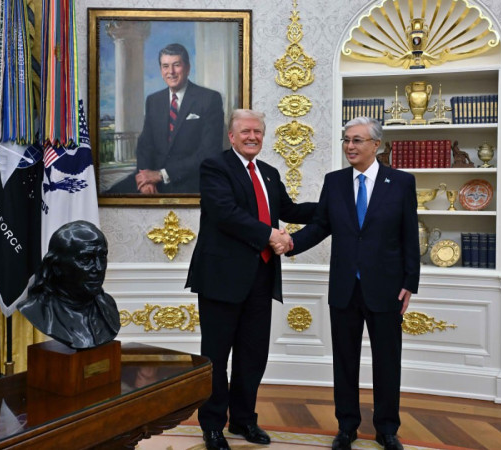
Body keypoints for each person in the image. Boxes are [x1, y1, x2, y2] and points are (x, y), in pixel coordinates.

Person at [185, 109, 317, 450]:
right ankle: (212, 426)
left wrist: (334, 205)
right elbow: (225, 214)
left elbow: (289, 209)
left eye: (257, 131)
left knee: (253, 355)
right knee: (216, 357)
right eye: (245, 131)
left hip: (261, 277)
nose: (252, 136)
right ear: (232, 136)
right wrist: (271, 235)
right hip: (221, 278)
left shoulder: (269, 173)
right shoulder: (215, 167)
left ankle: (244, 420)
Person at [288, 117, 420, 450]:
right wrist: (289, 243)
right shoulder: (334, 182)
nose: (350, 146)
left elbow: (409, 234)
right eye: (346, 140)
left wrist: (410, 282)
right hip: (344, 287)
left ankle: (387, 429)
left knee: (387, 362)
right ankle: (346, 427)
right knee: (344, 361)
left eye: (357, 140)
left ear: (376, 144)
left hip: (387, 288)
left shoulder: (401, 182)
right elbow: (321, 226)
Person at [106, 43, 224, 194]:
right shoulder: (154, 100)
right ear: (161, 70)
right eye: (165, 66)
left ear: (187, 68)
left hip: (188, 179)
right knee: (109, 196)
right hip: (152, 176)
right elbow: (145, 145)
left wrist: (161, 175)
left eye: (176, 65)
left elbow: (209, 152)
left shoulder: (209, 99)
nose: (171, 72)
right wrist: (145, 178)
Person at [18, 221, 120, 349]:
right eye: (85, 259)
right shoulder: (35, 310)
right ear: (56, 266)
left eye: (102, 257)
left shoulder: (108, 305)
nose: (99, 268)